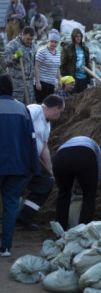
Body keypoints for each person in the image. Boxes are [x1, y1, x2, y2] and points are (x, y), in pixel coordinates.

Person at [0, 75, 40, 256]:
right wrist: (34, 167)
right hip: (17, 166)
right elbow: (31, 141)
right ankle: (6, 247)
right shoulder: (22, 109)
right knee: (10, 205)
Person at [17, 95, 64, 230]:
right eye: (60, 111)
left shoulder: (47, 123)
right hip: (21, 158)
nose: (59, 115)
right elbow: (20, 128)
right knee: (16, 188)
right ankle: (7, 218)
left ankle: (24, 218)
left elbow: (44, 148)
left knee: (45, 183)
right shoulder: (34, 110)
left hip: (32, 162)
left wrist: (50, 171)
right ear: (55, 108)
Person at [52, 136, 101, 230]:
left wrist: (62, 185)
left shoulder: (64, 145)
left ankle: (60, 231)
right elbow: (98, 164)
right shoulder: (95, 146)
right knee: (89, 196)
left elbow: (57, 172)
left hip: (61, 157)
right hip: (85, 155)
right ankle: (83, 231)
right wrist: (95, 184)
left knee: (63, 195)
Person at [3, 26, 37, 104]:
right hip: (17, 84)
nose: (29, 41)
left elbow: (33, 63)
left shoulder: (32, 45)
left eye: (31, 39)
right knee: (17, 106)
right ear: (22, 34)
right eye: (28, 39)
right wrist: (14, 57)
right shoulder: (13, 45)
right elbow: (5, 61)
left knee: (29, 108)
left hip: (29, 84)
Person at [34, 30, 62, 103]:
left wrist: (59, 80)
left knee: (50, 104)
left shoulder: (58, 53)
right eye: (51, 41)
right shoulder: (42, 52)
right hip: (42, 82)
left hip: (51, 83)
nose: (53, 44)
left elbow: (57, 67)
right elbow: (36, 66)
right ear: (48, 41)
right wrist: (37, 82)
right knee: (41, 104)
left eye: (55, 42)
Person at [60, 28, 91, 93]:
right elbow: (63, 65)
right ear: (73, 37)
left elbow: (88, 62)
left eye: (80, 36)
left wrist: (90, 75)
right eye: (76, 36)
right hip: (73, 78)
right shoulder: (67, 49)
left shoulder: (85, 49)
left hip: (83, 78)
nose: (78, 38)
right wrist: (66, 79)